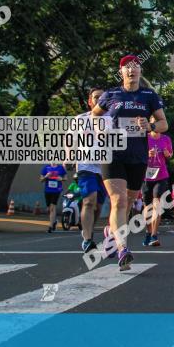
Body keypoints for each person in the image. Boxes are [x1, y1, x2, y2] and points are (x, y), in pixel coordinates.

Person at [92, 55, 168, 271]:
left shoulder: (149, 96)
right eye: (126, 68)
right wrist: (99, 131)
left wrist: (150, 125)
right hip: (113, 153)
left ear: (140, 71)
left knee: (129, 201)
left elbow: (164, 124)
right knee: (118, 201)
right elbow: (95, 116)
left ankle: (111, 231)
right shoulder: (111, 94)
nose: (131, 71)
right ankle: (122, 248)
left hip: (138, 156)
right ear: (121, 72)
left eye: (135, 67)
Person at [71, 87, 112, 252]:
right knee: (89, 200)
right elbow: (70, 140)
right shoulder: (80, 119)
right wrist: (68, 157)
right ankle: (87, 239)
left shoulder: (111, 119)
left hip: (106, 167)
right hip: (85, 165)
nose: (98, 100)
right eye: (96, 97)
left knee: (98, 205)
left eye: (102, 98)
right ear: (90, 101)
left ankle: (87, 230)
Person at [141, 123, 173, 247]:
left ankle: (154, 234)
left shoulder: (166, 139)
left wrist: (167, 155)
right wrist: (147, 154)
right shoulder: (144, 137)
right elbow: (137, 154)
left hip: (161, 175)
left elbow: (170, 154)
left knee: (157, 203)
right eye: (153, 122)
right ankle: (148, 233)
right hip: (146, 176)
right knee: (147, 207)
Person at [40, 162, 66, 233]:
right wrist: (46, 177)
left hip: (57, 190)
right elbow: (41, 180)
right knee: (49, 208)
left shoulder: (61, 168)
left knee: (52, 207)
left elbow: (65, 178)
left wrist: (61, 179)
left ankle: (50, 226)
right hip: (47, 190)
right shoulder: (46, 168)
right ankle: (54, 222)